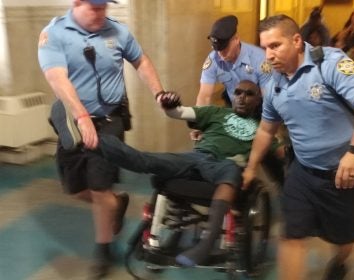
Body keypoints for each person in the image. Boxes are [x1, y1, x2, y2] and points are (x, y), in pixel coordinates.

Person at [50, 80, 283, 268]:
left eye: (249, 94)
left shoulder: (263, 127)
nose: (242, 97)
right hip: (196, 158)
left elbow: (279, 152)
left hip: (226, 165)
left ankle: (207, 241)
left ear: (258, 99)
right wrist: (171, 104)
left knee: (232, 172)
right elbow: (179, 112)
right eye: (238, 92)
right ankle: (86, 139)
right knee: (147, 159)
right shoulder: (216, 113)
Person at [37, 0, 166, 278]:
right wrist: (82, 117)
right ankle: (116, 203)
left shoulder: (118, 31)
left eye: (104, 7)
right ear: (77, 3)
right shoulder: (55, 33)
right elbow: (57, 77)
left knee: (98, 187)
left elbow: (140, 60)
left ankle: (103, 250)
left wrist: (158, 92)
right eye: (94, 7)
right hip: (73, 121)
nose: (101, 13)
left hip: (110, 120)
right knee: (74, 189)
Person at [242, 14, 354, 280]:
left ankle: (340, 262)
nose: (269, 55)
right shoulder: (274, 86)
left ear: (296, 41)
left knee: (344, 237)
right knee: (291, 235)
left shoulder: (330, 63)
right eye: (264, 48)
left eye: (275, 46)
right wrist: (250, 168)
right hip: (302, 171)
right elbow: (265, 130)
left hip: (343, 175)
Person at [196, 15, 272, 107]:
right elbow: (204, 97)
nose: (220, 55)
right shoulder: (213, 59)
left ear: (236, 39)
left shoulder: (260, 59)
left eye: (225, 49)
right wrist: (198, 119)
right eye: (218, 50)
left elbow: (268, 99)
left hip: (258, 107)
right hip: (233, 105)